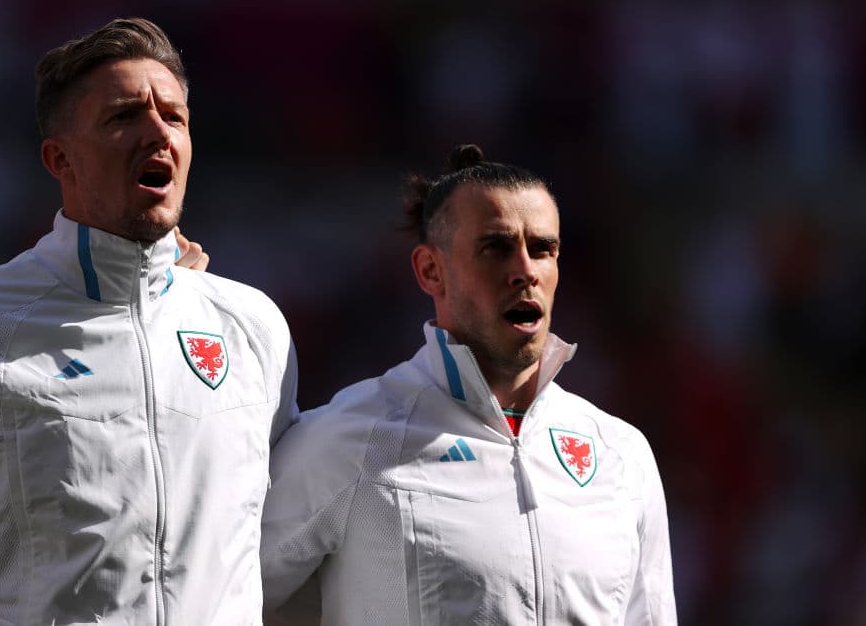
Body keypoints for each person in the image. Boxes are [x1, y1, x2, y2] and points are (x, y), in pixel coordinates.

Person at [0, 17, 298, 624]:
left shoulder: (251, 326)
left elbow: (285, 552)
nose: (158, 132)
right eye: (123, 116)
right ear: (61, 160)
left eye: (175, 117)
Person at [260, 144, 676, 624]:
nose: (526, 271)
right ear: (430, 270)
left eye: (543, 249)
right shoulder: (350, 439)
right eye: (496, 247)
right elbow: (219, 595)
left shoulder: (620, 454)